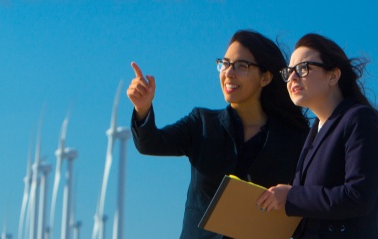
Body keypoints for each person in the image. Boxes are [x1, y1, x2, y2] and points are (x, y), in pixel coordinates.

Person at [126, 30, 309, 239]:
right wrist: (143, 109)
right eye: (225, 64)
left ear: (265, 78)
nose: (229, 73)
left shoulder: (294, 140)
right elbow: (151, 144)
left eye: (241, 66)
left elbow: (310, 200)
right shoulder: (202, 123)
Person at [256, 33, 378, 239]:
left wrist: (291, 196)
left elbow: (358, 197)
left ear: (333, 76)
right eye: (289, 71)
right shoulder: (315, 131)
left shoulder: (360, 119)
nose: (292, 77)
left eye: (303, 69)